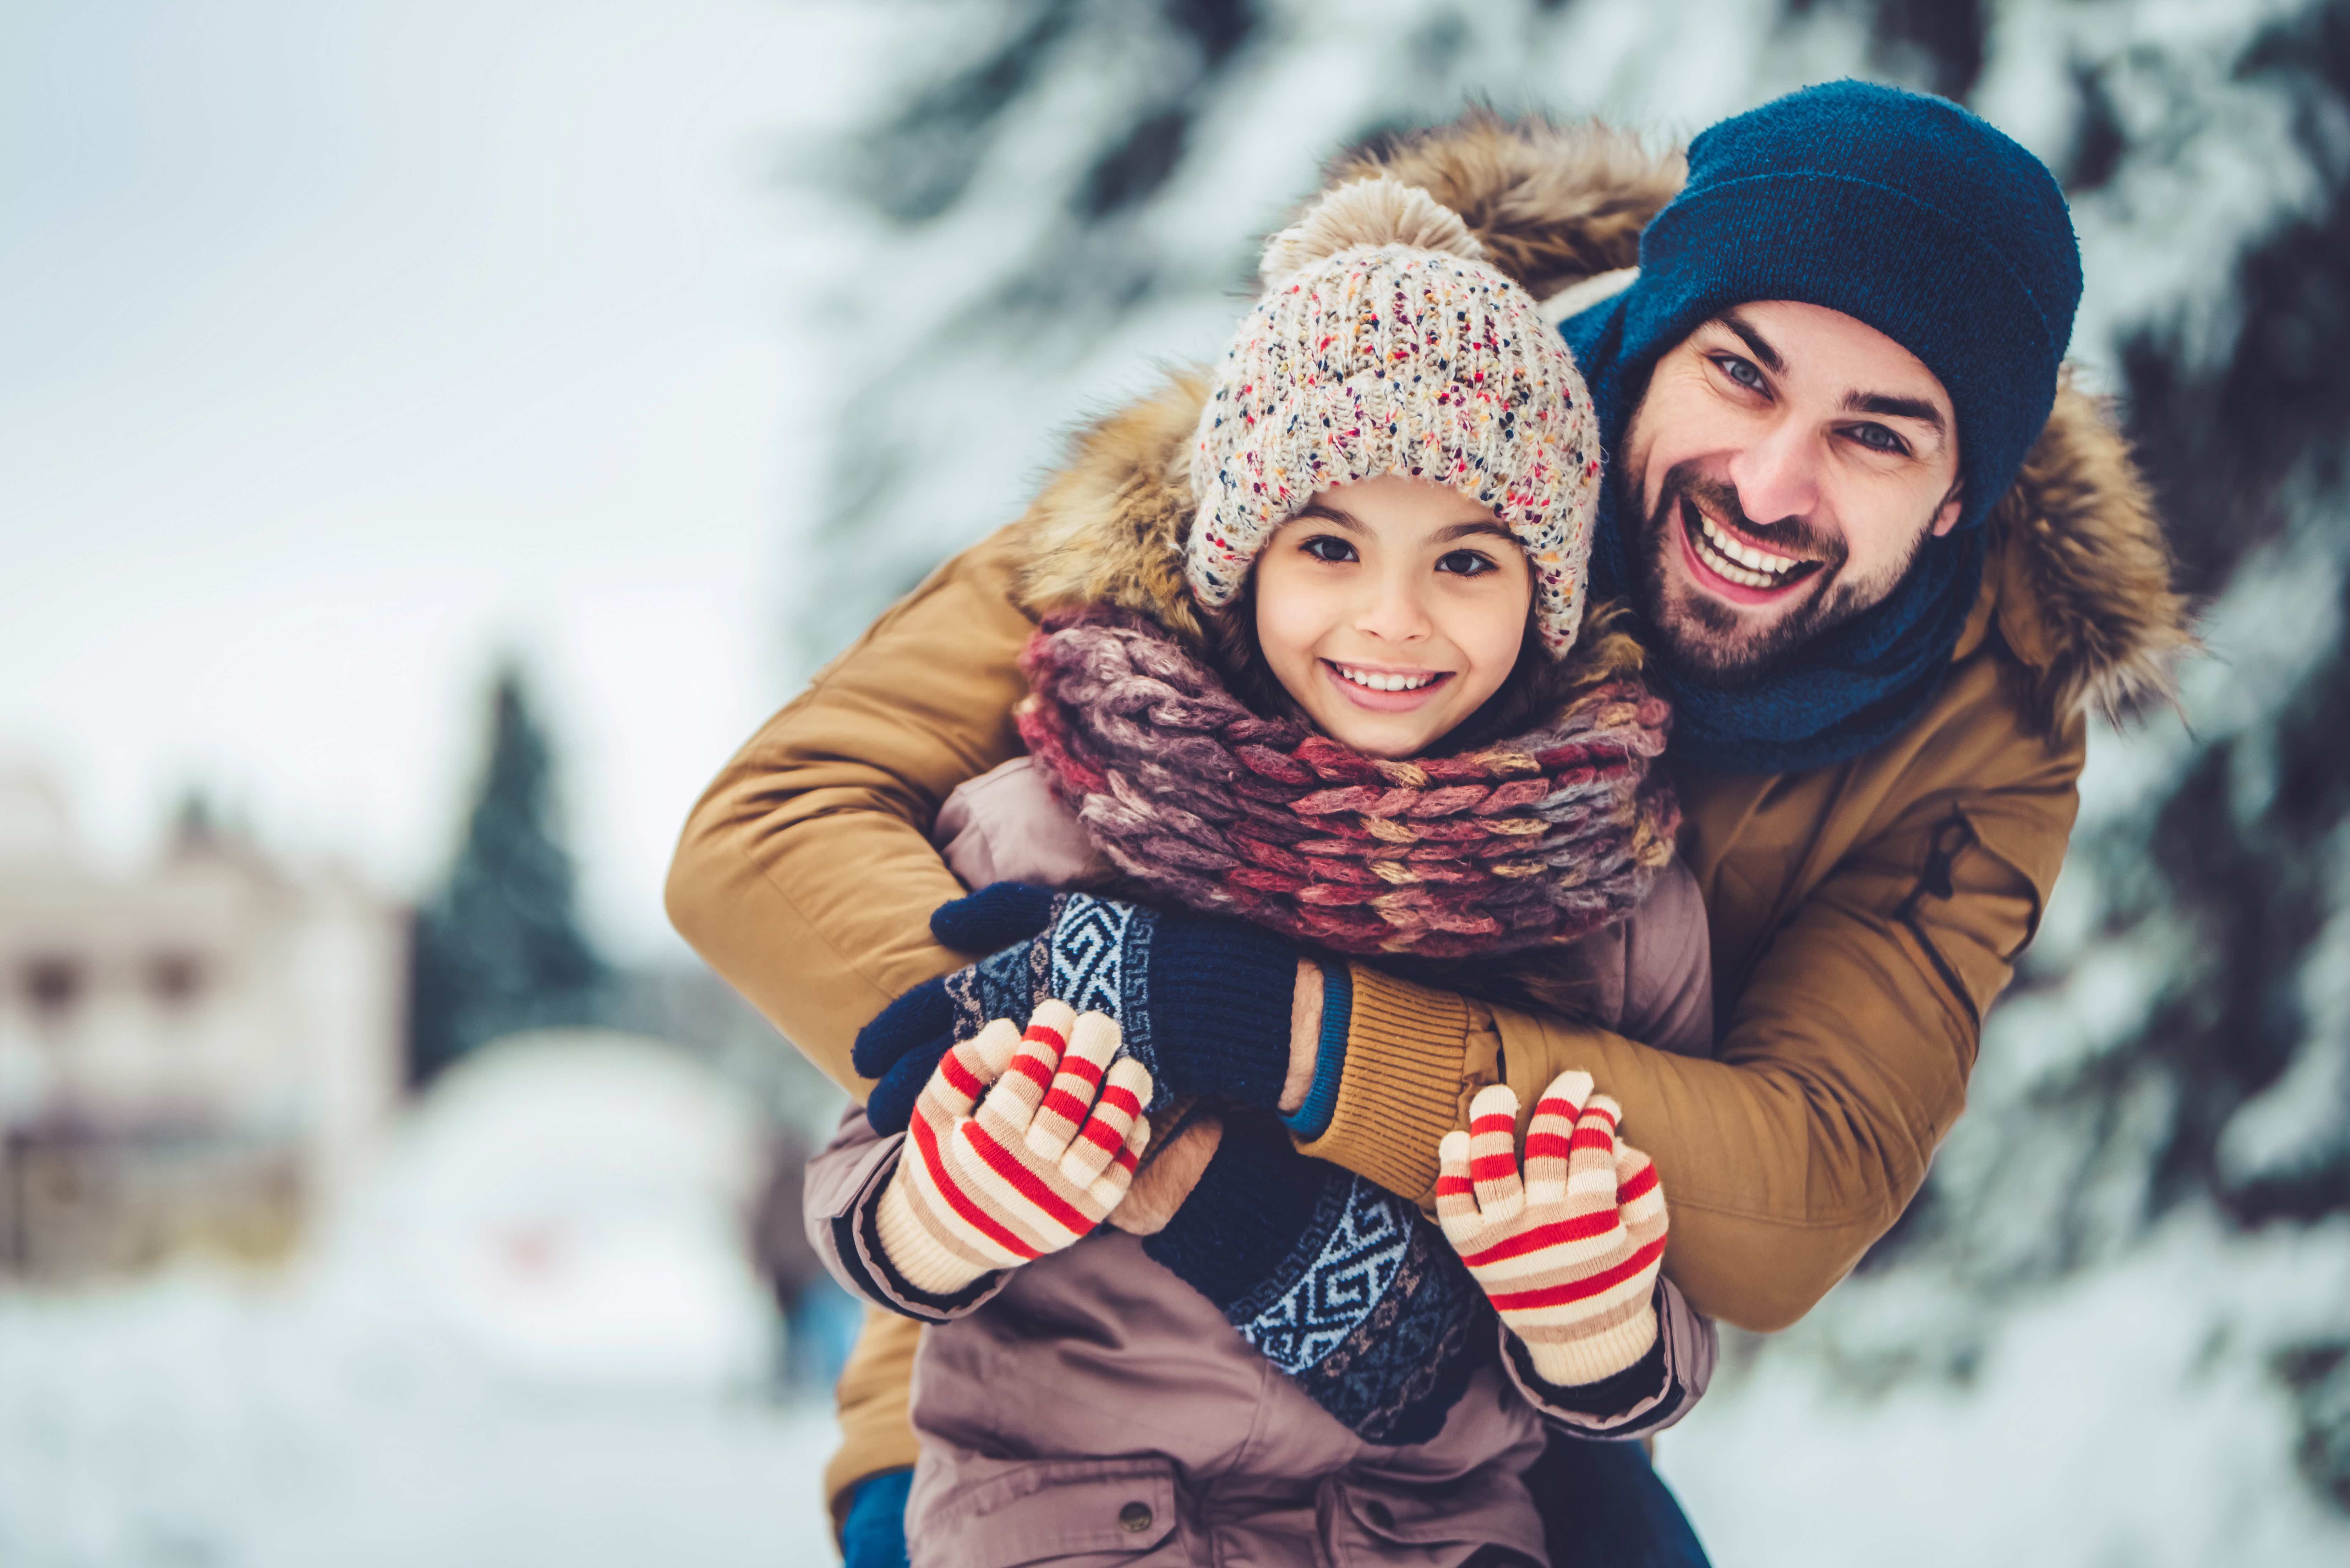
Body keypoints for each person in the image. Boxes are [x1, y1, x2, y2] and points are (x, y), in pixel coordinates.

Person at [667, 81, 2190, 1564]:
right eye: (1740, 372)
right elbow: (768, 834)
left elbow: (1794, 1187)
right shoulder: (1348, 427)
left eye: (1878, 435)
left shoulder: (1976, 734)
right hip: (1058, 1379)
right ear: (1655, 340)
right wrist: (1162, 1143)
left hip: (1483, 1402)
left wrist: (1287, 1033)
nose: (1771, 480)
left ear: (1953, 499)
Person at [801, 175, 1718, 1566]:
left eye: (1465, 558)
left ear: (1543, 589)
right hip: (1068, 1521)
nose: (1391, 618)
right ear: (1239, 560)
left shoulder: (1614, 901)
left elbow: (1656, 1327)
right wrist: (946, 1210)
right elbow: (870, 1168)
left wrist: (1589, 1321)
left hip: (1428, 1533)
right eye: (1330, 545)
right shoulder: (1051, 829)